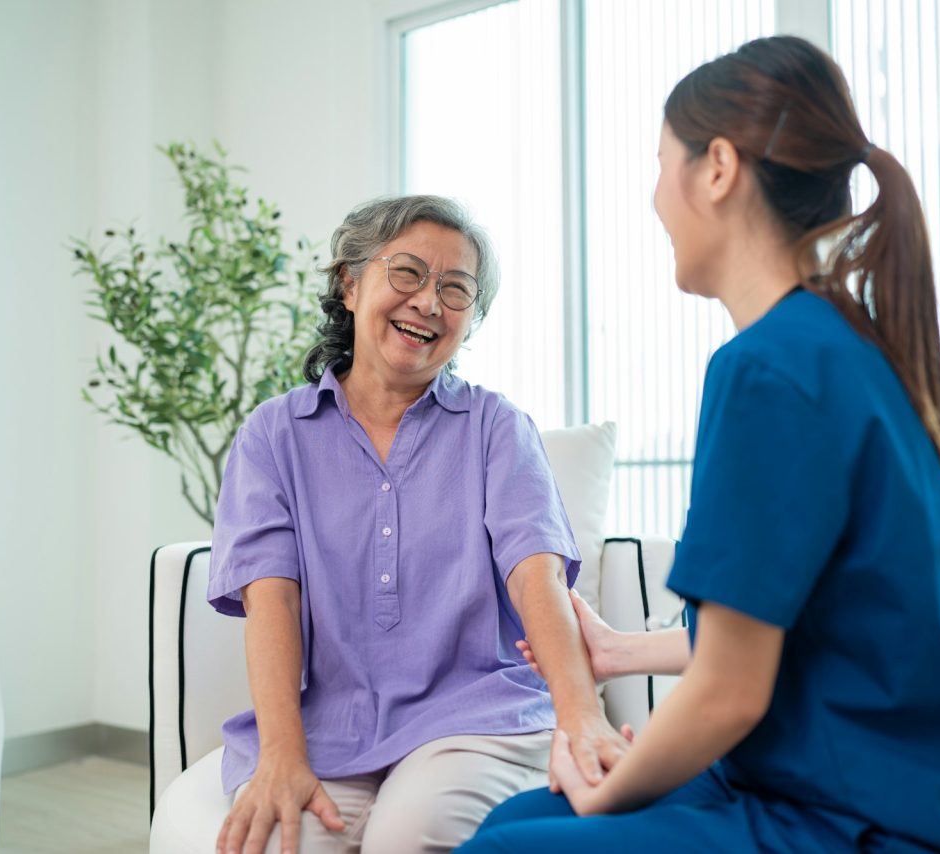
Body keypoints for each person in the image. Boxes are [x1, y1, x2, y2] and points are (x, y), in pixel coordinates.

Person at [459, 36, 940, 853]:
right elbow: (799, 619)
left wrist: (604, 794)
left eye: (662, 162)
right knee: (516, 819)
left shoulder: (767, 370)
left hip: (879, 821)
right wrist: (621, 651)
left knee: (509, 845)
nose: (655, 197)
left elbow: (729, 696)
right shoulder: (846, 347)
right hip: (883, 792)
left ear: (718, 169)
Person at [208, 195, 628, 854]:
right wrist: (282, 756)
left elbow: (536, 577)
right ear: (350, 284)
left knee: (409, 834)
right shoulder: (272, 436)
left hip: (475, 716)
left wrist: (582, 717)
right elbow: (272, 600)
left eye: (455, 290)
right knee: (294, 843)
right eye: (406, 273)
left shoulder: (496, 428)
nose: (429, 302)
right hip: (329, 725)